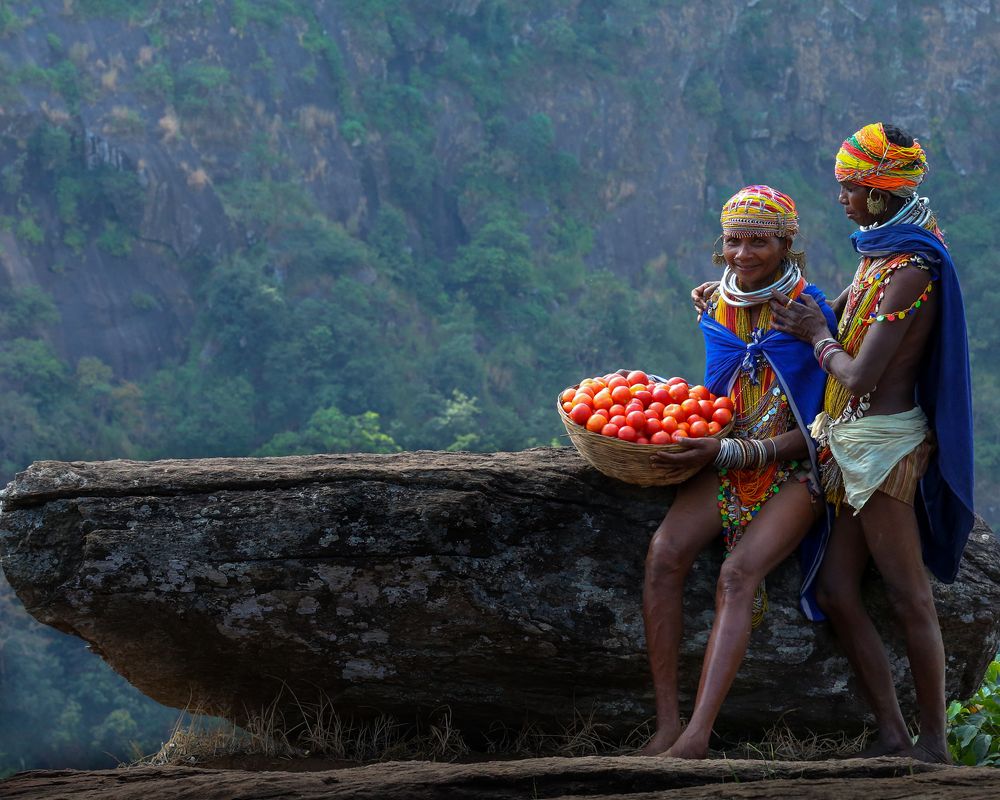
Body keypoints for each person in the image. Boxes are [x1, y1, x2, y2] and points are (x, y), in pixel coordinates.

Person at [766, 122, 975, 763]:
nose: (842, 199)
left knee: (910, 595)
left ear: (882, 194)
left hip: (882, 450)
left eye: (852, 188)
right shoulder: (881, 255)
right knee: (834, 590)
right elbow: (850, 331)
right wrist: (741, 302)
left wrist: (814, 337)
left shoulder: (912, 268)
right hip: (848, 442)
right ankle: (891, 732)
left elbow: (859, 372)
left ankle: (933, 743)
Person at [641, 185, 837, 759]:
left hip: (796, 470)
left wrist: (735, 455)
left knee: (735, 575)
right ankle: (666, 725)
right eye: (734, 240)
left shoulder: (810, 313)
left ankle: (698, 736)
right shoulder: (717, 306)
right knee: (663, 556)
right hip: (724, 458)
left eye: (759, 241)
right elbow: (716, 399)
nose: (744, 254)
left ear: (786, 245)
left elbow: (824, 427)